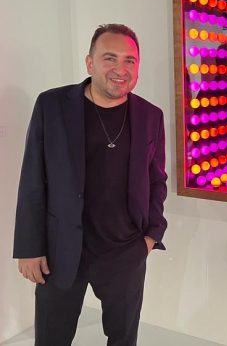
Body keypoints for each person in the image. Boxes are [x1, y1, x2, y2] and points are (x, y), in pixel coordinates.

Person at [13, 24, 168, 346]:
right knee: (52, 338)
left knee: (123, 339)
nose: (120, 69)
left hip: (125, 251)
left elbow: (156, 180)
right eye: (110, 58)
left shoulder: (150, 115)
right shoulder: (52, 106)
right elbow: (32, 179)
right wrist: (29, 248)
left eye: (129, 60)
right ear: (90, 63)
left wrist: (151, 236)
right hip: (61, 249)